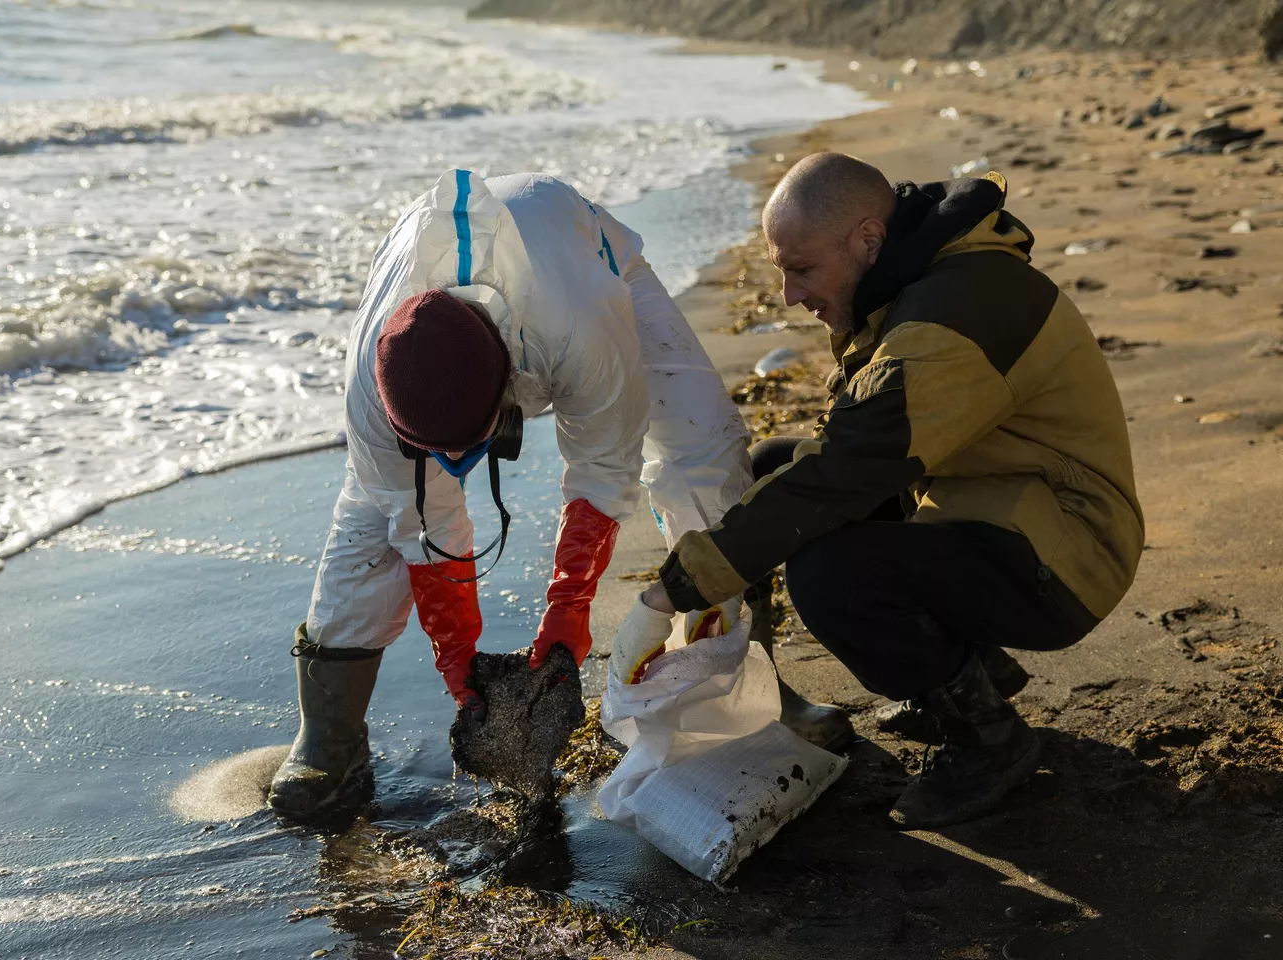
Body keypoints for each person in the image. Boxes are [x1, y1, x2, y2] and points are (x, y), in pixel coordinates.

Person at [268, 170, 849, 818]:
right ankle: (329, 739)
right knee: (373, 522)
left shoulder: (580, 328)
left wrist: (568, 606)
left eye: (468, 445)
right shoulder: (370, 394)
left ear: (511, 391)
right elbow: (419, 525)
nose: (453, 465)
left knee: (704, 457)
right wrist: (461, 665)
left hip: (578, 251)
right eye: (434, 451)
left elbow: (603, 467)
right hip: (433, 295)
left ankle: (752, 684)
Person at [634, 153, 1144, 829]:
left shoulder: (947, 319)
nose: (789, 294)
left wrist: (681, 584)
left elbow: (847, 471)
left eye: (802, 269)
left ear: (868, 240)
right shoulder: (921, 279)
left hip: (1072, 554)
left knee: (831, 573)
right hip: (1000, 502)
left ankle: (988, 739)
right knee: (777, 466)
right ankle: (967, 670)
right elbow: (849, 455)